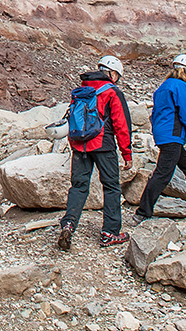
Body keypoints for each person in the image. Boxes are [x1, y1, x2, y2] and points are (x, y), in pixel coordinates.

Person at [56, 53, 134, 251]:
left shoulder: (83, 89)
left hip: (80, 145)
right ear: (114, 74)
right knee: (111, 187)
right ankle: (110, 233)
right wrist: (127, 153)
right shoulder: (111, 91)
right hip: (103, 145)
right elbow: (122, 125)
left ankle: (68, 224)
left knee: (79, 186)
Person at [133, 54, 186, 225]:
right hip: (173, 136)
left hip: (164, 136)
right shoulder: (181, 86)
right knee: (163, 174)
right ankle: (142, 212)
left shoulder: (163, 87)